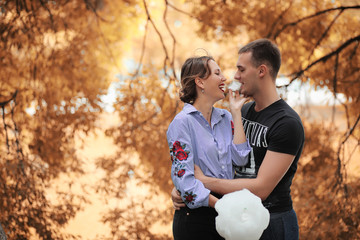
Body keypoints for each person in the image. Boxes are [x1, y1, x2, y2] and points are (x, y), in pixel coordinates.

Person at [171, 39, 305, 240]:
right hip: (234, 220)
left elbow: (259, 187)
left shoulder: (286, 123)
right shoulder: (240, 113)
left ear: (261, 71)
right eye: (219, 72)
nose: (234, 76)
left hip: (271, 220)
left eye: (241, 69)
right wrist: (182, 187)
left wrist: (205, 183)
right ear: (200, 82)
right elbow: (194, 166)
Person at [167, 55, 252, 240]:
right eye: (217, 73)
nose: (224, 78)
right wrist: (222, 205)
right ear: (200, 82)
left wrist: (236, 113)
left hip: (226, 212)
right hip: (197, 219)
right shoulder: (181, 124)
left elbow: (241, 160)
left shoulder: (226, 118)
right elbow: (186, 183)